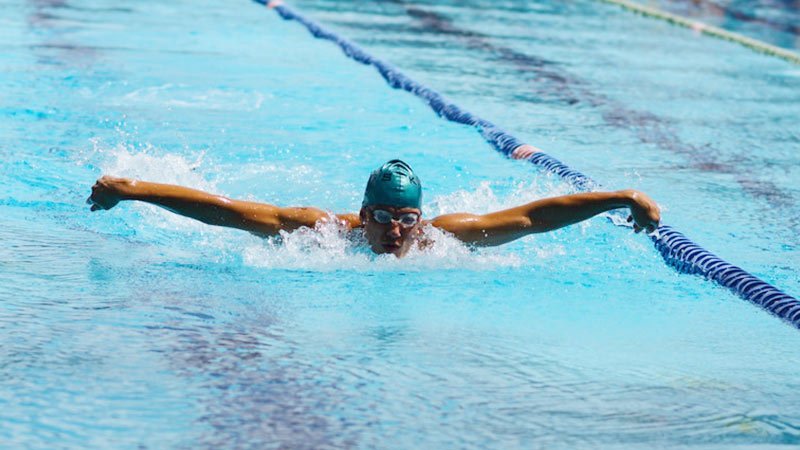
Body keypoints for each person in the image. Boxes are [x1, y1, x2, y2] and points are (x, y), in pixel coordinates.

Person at [88, 159, 660, 257]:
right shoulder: (321, 234)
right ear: (364, 216)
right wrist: (134, 189)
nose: (394, 232)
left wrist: (621, 195)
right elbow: (226, 210)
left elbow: (535, 216)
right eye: (383, 218)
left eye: (405, 219)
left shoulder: (443, 239)